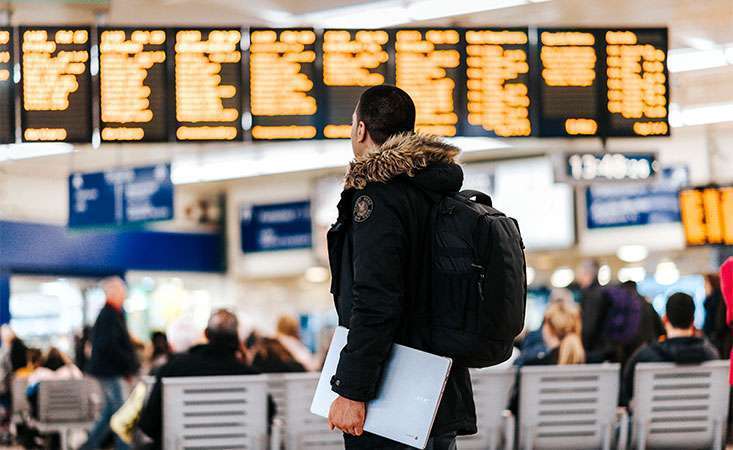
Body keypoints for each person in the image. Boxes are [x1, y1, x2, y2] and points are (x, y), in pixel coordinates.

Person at [326, 85, 473, 449]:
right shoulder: (437, 193)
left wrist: (352, 390)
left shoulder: (378, 197)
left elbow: (376, 300)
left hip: (392, 395)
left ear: (361, 130)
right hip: (439, 387)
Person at [138, 309, 261, 449]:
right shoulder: (251, 377)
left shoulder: (172, 369)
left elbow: (148, 425)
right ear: (237, 337)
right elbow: (265, 422)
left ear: (206, 334)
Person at [620, 292, 719, 407]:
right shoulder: (711, 355)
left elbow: (626, 397)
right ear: (693, 321)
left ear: (665, 319)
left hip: (655, 423)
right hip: (700, 422)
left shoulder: (644, 356)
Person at [80, 277, 140, 450]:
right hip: (109, 372)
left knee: (110, 412)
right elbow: (110, 346)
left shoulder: (111, 314)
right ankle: (123, 447)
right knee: (121, 412)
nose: (124, 295)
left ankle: (89, 445)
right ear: (113, 293)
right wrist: (128, 366)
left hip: (108, 371)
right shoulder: (109, 315)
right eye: (122, 291)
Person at [509, 299, 586, 414]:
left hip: (536, 429)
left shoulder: (530, 365)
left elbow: (514, 407)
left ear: (549, 328)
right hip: (577, 429)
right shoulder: (587, 366)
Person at [577, 260, 609, 360]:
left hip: (594, 351)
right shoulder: (601, 292)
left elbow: (589, 326)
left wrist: (583, 348)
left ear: (587, 274)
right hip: (604, 349)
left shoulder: (591, 295)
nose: (578, 278)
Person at [703, 274, 731, 358]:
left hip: (719, 342)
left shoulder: (715, 300)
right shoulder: (717, 299)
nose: (704, 287)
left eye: (705, 284)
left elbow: (719, 324)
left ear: (712, 283)